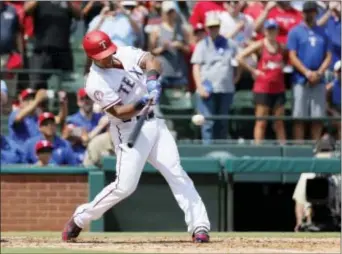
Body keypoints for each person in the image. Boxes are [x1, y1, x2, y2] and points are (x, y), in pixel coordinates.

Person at [62, 30, 210, 243]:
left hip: (155, 124)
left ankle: (200, 226)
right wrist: (142, 102)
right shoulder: (95, 82)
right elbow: (120, 112)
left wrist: (152, 80)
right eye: (103, 55)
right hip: (129, 128)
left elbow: (151, 60)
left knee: (176, 173)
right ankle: (80, 218)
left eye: (109, 51)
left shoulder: (123, 52)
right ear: (92, 57)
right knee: (124, 187)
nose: (109, 56)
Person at [287, 1, 332, 142]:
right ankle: (300, 148)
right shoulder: (295, 32)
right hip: (301, 79)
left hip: (319, 80)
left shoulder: (324, 33)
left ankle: (316, 147)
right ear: (302, 13)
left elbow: (328, 56)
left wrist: (319, 73)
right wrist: (307, 72)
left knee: (317, 117)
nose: (309, 14)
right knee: (299, 117)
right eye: (307, 11)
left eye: (312, 11)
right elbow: (292, 56)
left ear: (316, 13)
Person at [191, 16, 240, 144]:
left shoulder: (230, 44)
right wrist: (200, 87)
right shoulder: (201, 45)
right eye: (211, 27)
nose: (213, 29)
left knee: (223, 121)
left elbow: (239, 61)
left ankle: (221, 148)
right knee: (207, 122)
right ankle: (208, 150)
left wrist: (237, 77)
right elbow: (196, 67)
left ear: (219, 27)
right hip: (207, 89)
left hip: (226, 89)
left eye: (216, 27)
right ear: (207, 28)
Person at [237, 19, 287, 144]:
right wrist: (253, 71)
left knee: (279, 122)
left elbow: (286, 61)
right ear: (265, 31)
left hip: (278, 88)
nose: (271, 32)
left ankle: (284, 149)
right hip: (263, 88)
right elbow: (240, 57)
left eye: (274, 29)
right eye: (269, 29)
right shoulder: (260, 45)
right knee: (261, 122)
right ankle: (258, 149)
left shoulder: (281, 47)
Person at [149, 1, 190, 88]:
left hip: (179, 74)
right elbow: (151, 52)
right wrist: (163, 48)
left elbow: (188, 49)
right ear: (163, 13)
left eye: (172, 12)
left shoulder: (182, 29)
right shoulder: (156, 30)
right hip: (162, 74)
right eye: (168, 12)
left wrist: (180, 46)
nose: (170, 15)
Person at [63, 88, 108, 164]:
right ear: (78, 102)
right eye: (82, 99)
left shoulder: (100, 117)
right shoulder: (72, 120)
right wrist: (100, 126)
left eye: (88, 98)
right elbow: (85, 140)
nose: (85, 101)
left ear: (93, 100)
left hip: (99, 158)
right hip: (79, 159)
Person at [326, 60, 341, 140]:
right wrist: (334, 113)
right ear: (335, 72)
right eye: (339, 71)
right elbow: (325, 105)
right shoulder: (330, 88)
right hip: (333, 117)